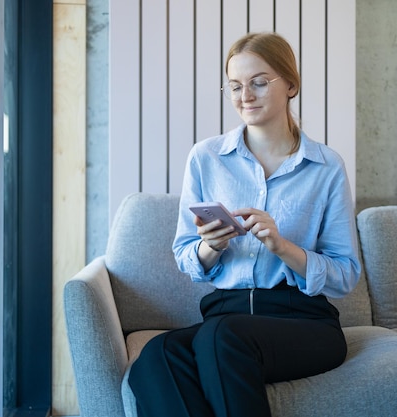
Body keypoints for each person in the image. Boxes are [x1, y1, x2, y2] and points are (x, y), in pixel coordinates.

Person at [128, 32, 361, 417]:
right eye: (235, 86)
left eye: (258, 82)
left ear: (291, 84)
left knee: (222, 338)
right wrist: (211, 246)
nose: (245, 96)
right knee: (157, 355)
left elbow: (345, 274)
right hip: (225, 315)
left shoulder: (326, 166)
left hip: (303, 322)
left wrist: (282, 246)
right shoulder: (206, 158)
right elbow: (187, 256)